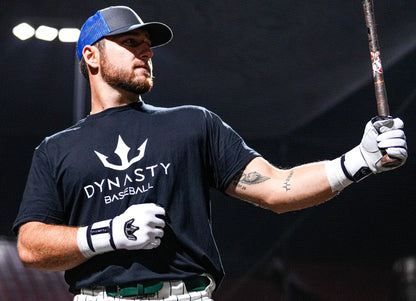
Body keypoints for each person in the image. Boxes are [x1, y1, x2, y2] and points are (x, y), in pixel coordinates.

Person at [13, 5, 408, 301]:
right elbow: (31, 247)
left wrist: (359, 159)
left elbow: (275, 188)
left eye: (147, 47)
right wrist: (110, 234)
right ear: (91, 56)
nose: (145, 53)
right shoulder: (55, 150)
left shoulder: (192, 124)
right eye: (130, 43)